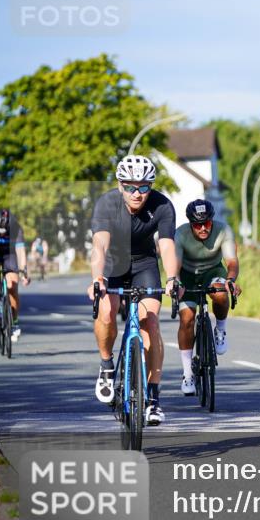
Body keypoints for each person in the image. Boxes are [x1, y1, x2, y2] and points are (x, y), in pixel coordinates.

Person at [86, 155, 180, 426]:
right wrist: (97, 279)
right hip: (114, 263)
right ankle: (106, 366)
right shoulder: (107, 203)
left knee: (150, 322)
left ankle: (153, 399)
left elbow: (166, 246)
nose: (136, 193)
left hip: (144, 264)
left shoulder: (162, 205)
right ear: (120, 185)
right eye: (130, 187)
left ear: (151, 186)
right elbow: (100, 246)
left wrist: (172, 278)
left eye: (143, 187)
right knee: (106, 310)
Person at [174, 198, 241, 395]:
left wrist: (230, 280)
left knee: (220, 292)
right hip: (186, 274)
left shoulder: (223, 230)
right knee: (186, 319)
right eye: (197, 224)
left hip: (213, 271)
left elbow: (231, 261)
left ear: (212, 220)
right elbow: (175, 265)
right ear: (190, 224)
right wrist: (176, 282)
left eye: (207, 223)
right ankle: (188, 374)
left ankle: (220, 330)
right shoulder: (180, 234)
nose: (203, 228)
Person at [0, 209, 30, 341]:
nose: (2, 234)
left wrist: (24, 272)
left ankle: (14, 321)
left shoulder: (16, 227)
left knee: (12, 284)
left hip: (9, 254)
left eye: (5, 231)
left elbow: (20, 252)